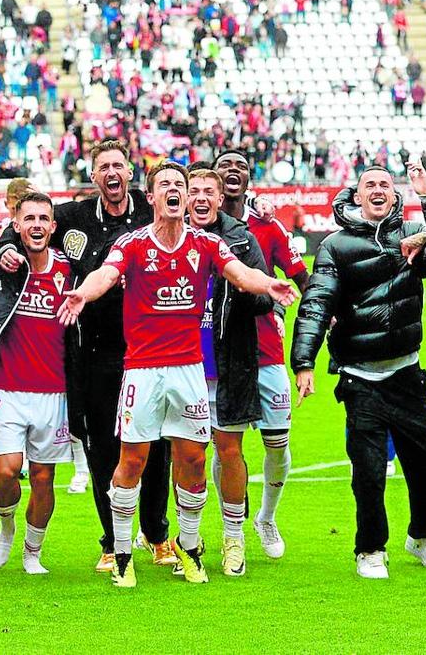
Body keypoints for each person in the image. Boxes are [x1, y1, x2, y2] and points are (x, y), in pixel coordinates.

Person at [57, 161, 296, 588]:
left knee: (193, 459)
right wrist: (82, 295)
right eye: (165, 184)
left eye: (179, 186)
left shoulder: (204, 244)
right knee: (132, 459)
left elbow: (239, 274)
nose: (173, 190)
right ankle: (123, 554)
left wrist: (268, 285)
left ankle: (188, 547)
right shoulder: (131, 244)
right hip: (143, 372)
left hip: (188, 371)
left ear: (185, 198)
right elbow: (106, 274)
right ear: (151, 197)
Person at [0, 139, 176, 572]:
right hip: (92, 352)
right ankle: (112, 542)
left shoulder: (149, 207)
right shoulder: (74, 217)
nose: (112, 173)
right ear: (94, 176)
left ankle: (156, 534)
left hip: (148, 349)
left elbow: (201, 220)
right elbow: (27, 223)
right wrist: (5, 245)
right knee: (102, 450)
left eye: (119, 165)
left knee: (154, 446)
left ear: (131, 173)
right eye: (103, 168)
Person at [292, 162, 426, 580]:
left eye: (385, 184)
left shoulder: (410, 235)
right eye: (370, 184)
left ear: (394, 194)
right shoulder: (335, 246)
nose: (378, 190)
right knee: (369, 471)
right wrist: (303, 362)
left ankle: (423, 535)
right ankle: (370, 548)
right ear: (356, 195)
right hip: (360, 378)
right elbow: (317, 303)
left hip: (407, 374)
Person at [0, 191, 76, 575]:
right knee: (6, 470)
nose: (36, 225)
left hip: (54, 394)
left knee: (44, 477)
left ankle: (33, 552)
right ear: (15, 225)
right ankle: (5, 527)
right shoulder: (1, 271)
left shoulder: (69, 273)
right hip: (8, 392)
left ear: (53, 226)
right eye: (28, 218)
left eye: (42, 219)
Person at [214, 150, 309, 558]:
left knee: (277, 444)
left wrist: (324, 319)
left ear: (250, 181)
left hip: (266, 350)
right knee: (224, 444)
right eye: (225, 167)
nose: (233, 172)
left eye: (241, 167)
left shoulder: (267, 228)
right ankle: (229, 524)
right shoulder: (196, 223)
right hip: (215, 354)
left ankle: (266, 518)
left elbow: (303, 276)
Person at [187, 168, 273, 576]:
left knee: (230, 451)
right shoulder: (167, 238)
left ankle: (234, 536)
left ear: (221, 199)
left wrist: (248, 291)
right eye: (194, 192)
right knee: (186, 456)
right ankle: (189, 537)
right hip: (181, 367)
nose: (201, 198)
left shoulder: (241, 240)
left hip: (229, 365)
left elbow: (264, 297)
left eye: (209, 192)